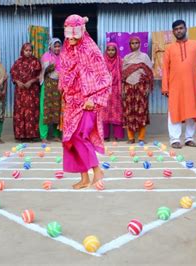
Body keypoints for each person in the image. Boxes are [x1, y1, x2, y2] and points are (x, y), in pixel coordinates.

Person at [59, 14, 111, 189]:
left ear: (82, 31)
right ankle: (84, 178)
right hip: (71, 103)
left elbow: (104, 77)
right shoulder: (66, 50)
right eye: (68, 32)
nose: (72, 37)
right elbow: (64, 77)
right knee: (71, 139)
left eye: (75, 32)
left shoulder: (91, 49)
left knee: (80, 135)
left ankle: (97, 170)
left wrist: (93, 98)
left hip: (88, 102)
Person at [162, 20, 196, 149]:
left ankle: (189, 138)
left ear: (186, 29)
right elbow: (165, 69)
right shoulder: (169, 48)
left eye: (181, 28)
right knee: (174, 111)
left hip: (192, 85)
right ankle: (175, 139)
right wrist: (165, 87)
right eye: (176, 29)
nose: (179, 31)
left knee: (192, 111)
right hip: (174, 86)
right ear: (173, 32)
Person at [122, 36, 153, 144]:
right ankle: (130, 138)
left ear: (140, 44)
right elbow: (123, 74)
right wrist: (123, 89)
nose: (134, 45)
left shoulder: (144, 57)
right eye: (132, 43)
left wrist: (147, 86)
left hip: (141, 86)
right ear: (129, 45)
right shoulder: (126, 58)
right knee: (129, 112)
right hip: (128, 87)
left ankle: (141, 138)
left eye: (136, 43)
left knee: (142, 112)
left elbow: (149, 73)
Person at [11, 43, 42, 142]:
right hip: (20, 92)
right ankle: (21, 135)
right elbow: (13, 75)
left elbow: (40, 76)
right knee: (20, 112)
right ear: (22, 51)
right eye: (26, 50)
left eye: (30, 50)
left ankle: (32, 135)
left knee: (32, 111)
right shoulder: (18, 62)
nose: (28, 52)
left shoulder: (35, 62)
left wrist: (31, 81)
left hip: (32, 91)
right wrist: (17, 81)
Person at [39, 38, 62, 143]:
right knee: (45, 110)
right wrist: (50, 67)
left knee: (58, 110)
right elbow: (44, 71)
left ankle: (56, 135)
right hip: (48, 85)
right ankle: (43, 136)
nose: (57, 48)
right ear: (51, 47)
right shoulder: (46, 56)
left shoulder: (63, 57)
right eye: (55, 46)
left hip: (59, 85)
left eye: (58, 46)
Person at [103, 42, 124, 142]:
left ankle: (118, 136)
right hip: (105, 90)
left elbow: (123, 76)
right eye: (109, 50)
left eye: (113, 50)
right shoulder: (102, 61)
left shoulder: (120, 61)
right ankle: (105, 136)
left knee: (117, 112)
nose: (111, 52)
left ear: (116, 51)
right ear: (106, 51)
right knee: (104, 113)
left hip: (116, 90)